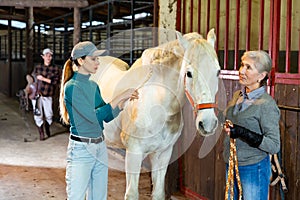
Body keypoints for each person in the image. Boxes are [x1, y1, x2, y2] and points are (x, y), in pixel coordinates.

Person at [59, 41, 138, 200]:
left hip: (100, 147)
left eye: (98, 59)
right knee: (76, 197)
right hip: (81, 149)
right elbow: (92, 117)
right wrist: (119, 97)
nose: (98, 62)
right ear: (81, 61)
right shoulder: (72, 87)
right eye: (93, 59)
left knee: (99, 197)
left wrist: (123, 104)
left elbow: (106, 116)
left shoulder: (93, 85)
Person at [222, 50, 281, 200]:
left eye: (248, 67)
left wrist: (244, 133)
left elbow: (274, 145)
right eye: (242, 65)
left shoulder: (267, 105)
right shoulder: (238, 96)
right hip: (232, 164)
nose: (241, 71)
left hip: (253, 168)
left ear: (261, 76)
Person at [31, 48, 60, 140]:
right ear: (43, 57)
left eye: (50, 55)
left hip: (48, 94)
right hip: (37, 95)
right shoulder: (38, 68)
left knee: (49, 114)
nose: (48, 57)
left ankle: (47, 126)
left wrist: (43, 79)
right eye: (46, 55)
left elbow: (55, 82)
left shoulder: (55, 69)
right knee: (38, 114)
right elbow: (32, 78)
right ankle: (41, 133)